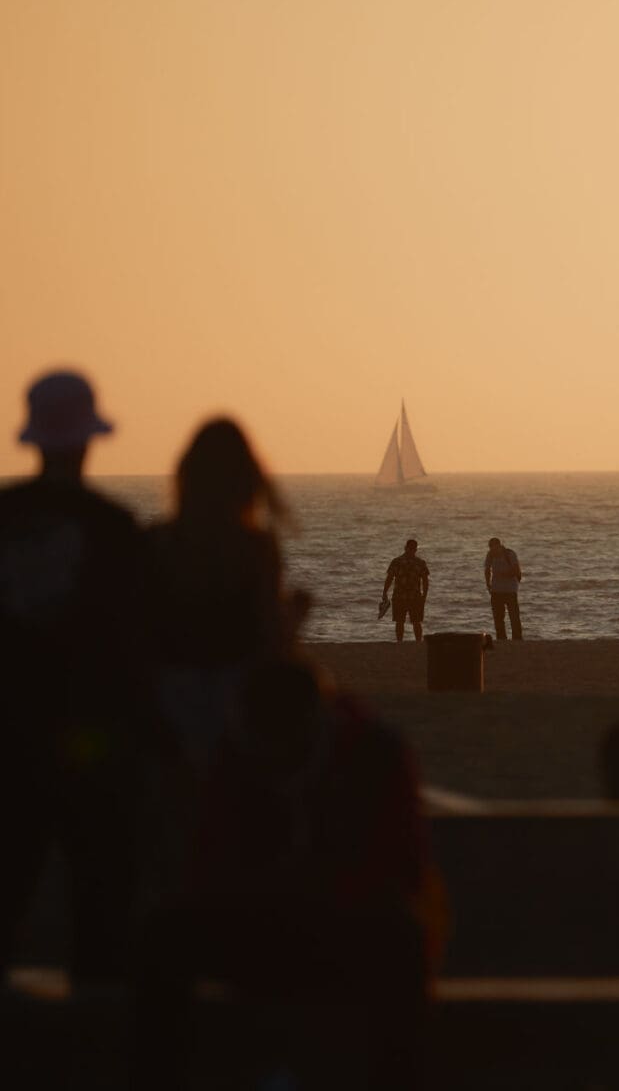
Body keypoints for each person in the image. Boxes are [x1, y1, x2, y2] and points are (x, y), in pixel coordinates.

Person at [135, 660, 434, 1089]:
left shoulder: (374, 754)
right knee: (160, 936)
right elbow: (206, 860)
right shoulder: (237, 754)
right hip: (258, 923)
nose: (274, 757)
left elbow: (404, 869)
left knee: (402, 940)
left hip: (341, 926)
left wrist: (321, 888)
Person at [0, 372, 154, 986]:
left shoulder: (5, 518)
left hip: (11, 731)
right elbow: (135, 643)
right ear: (89, 441)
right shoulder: (114, 527)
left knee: (10, 879)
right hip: (91, 735)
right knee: (99, 893)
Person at [148, 417, 293, 767]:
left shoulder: (157, 542)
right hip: (239, 696)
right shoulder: (255, 548)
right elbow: (269, 637)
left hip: (169, 696)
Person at [382, 539, 430, 643]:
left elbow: (390, 578)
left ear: (405, 547)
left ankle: (400, 643)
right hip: (414, 597)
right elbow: (425, 582)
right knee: (415, 622)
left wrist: (384, 592)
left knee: (401, 622)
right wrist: (424, 596)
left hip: (401, 596)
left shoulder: (397, 561)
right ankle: (417, 643)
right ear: (415, 549)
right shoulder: (420, 563)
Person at [484, 537, 524, 640]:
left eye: (494, 548)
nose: (493, 550)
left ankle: (517, 638)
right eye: (491, 548)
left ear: (499, 546)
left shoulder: (510, 554)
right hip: (496, 590)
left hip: (510, 590)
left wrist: (504, 574)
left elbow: (516, 570)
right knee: (498, 617)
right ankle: (501, 638)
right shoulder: (490, 555)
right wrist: (488, 584)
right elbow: (487, 569)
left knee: (514, 616)